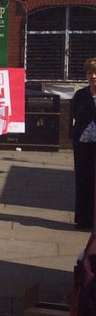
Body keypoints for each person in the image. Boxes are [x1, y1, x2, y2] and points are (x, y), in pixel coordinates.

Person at [71, 56, 96, 231]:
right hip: (83, 144)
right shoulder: (80, 95)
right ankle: (83, 219)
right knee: (83, 181)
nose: (93, 76)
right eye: (90, 72)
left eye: (95, 72)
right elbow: (75, 116)